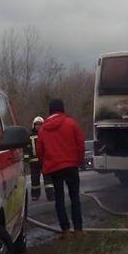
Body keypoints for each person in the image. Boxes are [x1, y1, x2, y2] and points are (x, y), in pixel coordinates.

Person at [37, 99, 86, 238]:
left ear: (50, 111)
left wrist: (44, 163)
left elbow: (40, 150)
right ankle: (78, 229)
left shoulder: (43, 130)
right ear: (62, 109)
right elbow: (80, 144)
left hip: (53, 167)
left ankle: (65, 230)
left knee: (59, 198)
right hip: (71, 165)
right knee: (74, 197)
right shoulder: (71, 123)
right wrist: (79, 160)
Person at [25, 116, 47, 200]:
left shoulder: (45, 134)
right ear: (34, 125)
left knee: (48, 178)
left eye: (40, 125)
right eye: (37, 125)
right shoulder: (29, 136)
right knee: (34, 180)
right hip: (33, 161)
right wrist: (26, 157)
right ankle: (35, 195)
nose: (38, 126)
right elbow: (26, 148)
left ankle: (50, 194)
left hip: (44, 160)